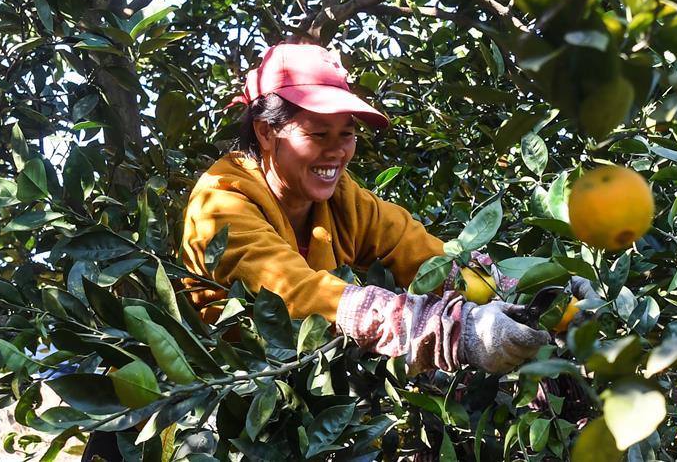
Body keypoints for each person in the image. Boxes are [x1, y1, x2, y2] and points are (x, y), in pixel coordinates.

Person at [180, 42, 586, 375]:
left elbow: (420, 252)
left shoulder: (341, 200)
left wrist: (542, 299)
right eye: (319, 133)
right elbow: (297, 295)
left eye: (347, 134)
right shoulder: (219, 204)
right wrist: (450, 331)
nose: (337, 151)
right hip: (231, 403)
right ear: (266, 133)